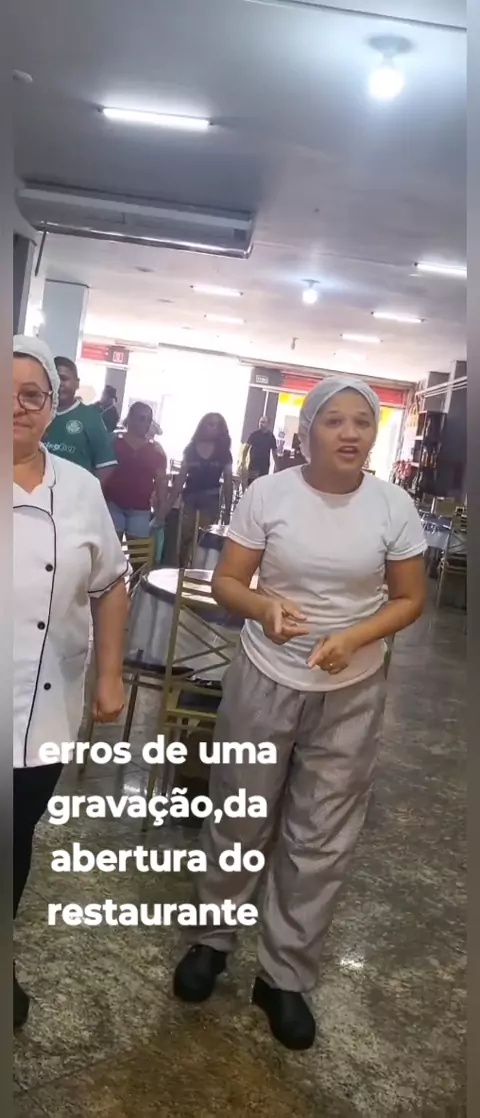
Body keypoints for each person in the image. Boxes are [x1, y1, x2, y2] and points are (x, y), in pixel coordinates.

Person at [173, 376, 426, 1051]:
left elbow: (409, 599)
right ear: (308, 430)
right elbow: (229, 581)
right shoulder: (270, 494)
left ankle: (284, 976)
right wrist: (265, 608)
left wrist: (356, 637)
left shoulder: (393, 506)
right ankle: (211, 941)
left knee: (322, 833)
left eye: (362, 422)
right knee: (239, 811)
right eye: (334, 421)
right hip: (266, 675)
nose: (350, 433)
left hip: (351, 687)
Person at [13, 335, 128, 1030]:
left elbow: (111, 584)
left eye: (33, 395)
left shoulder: (80, 488)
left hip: (45, 705)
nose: (18, 406)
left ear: (54, 407)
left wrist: (111, 674)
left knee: (14, 837)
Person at [168, 413, 233, 566]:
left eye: (217, 425)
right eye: (210, 424)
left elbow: (228, 482)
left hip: (211, 500)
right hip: (190, 497)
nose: (214, 428)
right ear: (203, 426)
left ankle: (194, 569)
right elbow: (181, 478)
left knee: (202, 538)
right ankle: (181, 567)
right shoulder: (191, 449)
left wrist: (227, 510)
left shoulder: (224, 452)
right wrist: (170, 503)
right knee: (184, 537)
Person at [42, 357, 116, 486]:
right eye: (53, 379)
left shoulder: (91, 418)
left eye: (64, 378)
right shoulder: (38, 413)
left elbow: (106, 465)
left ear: (77, 383)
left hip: (73, 495)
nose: (58, 384)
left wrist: (88, 492)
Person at [104, 401, 168, 540]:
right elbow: (102, 472)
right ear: (131, 418)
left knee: (138, 551)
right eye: (141, 418)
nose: (145, 423)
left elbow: (161, 482)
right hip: (113, 504)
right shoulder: (113, 441)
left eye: (148, 420)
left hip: (140, 508)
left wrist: (161, 511)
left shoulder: (156, 449)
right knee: (111, 548)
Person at [242, 416, 278, 484]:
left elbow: (274, 453)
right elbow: (246, 448)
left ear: (268, 424)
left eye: (263, 422)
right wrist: (243, 461)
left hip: (264, 466)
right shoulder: (254, 435)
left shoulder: (271, 437)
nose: (261, 424)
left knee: (261, 484)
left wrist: (277, 465)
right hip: (253, 465)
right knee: (251, 484)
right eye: (260, 422)